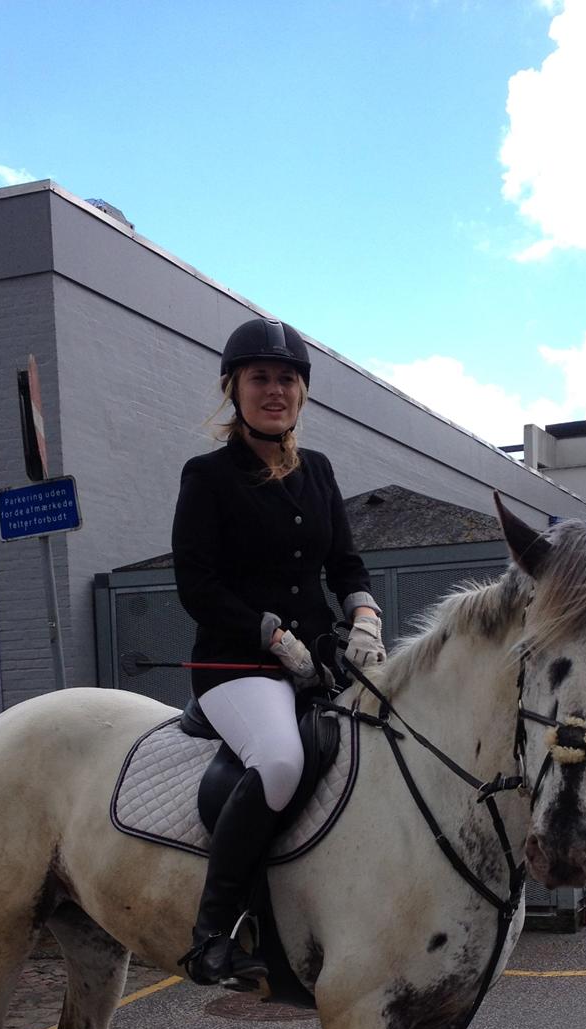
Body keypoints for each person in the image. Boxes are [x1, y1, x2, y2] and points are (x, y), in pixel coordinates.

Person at [171, 317, 386, 987]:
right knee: (284, 760)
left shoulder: (318, 471)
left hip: (320, 658)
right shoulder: (206, 476)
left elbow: (345, 563)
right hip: (236, 664)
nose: (275, 390)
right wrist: (268, 634)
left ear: (303, 393)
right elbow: (196, 586)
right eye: (260, 378)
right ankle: (216, 929)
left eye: (287, 379)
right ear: (233, 388)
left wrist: (366, 616)